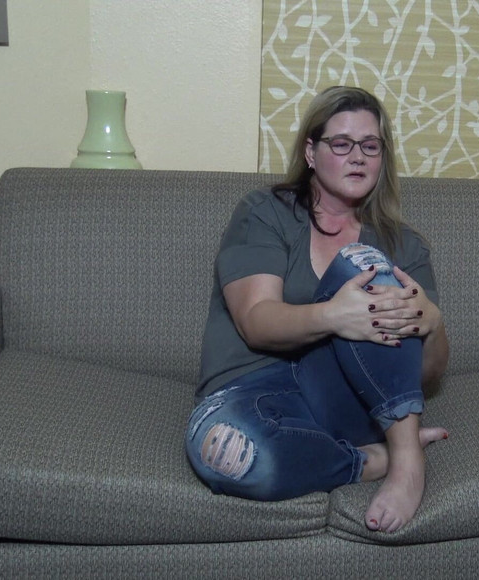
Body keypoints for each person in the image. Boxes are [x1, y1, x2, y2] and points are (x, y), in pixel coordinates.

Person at [186, 85, 449, 533]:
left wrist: (431, 322)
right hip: (247, 391)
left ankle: (407, 462)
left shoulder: (403, 243)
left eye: (370, 146)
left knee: (367, 265)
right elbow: (256, 322)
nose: (358, 157)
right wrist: (335, 316)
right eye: (341, 144)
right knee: (230, 457)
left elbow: (426, 372)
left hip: (342, 397)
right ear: (311, 152)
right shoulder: (265, 212)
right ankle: (368, 461)